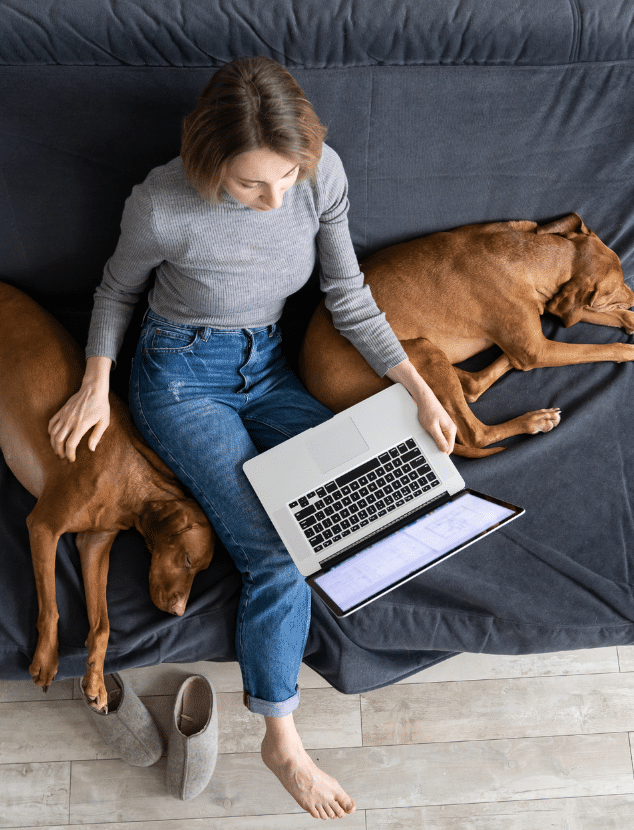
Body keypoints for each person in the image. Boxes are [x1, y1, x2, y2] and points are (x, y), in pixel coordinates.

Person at [48, 56, 455, 819]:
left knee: (367, 483)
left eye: (286, 177)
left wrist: (422, 394)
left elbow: (349, 296)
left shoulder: (319, 173)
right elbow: (115, 290)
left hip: (267, 365)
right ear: (210, 163)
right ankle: (281, 738)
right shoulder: (164, 203)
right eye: (250, 184)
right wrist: (97, 381)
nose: (274, 201)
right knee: (279, 549)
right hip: (178, 376)